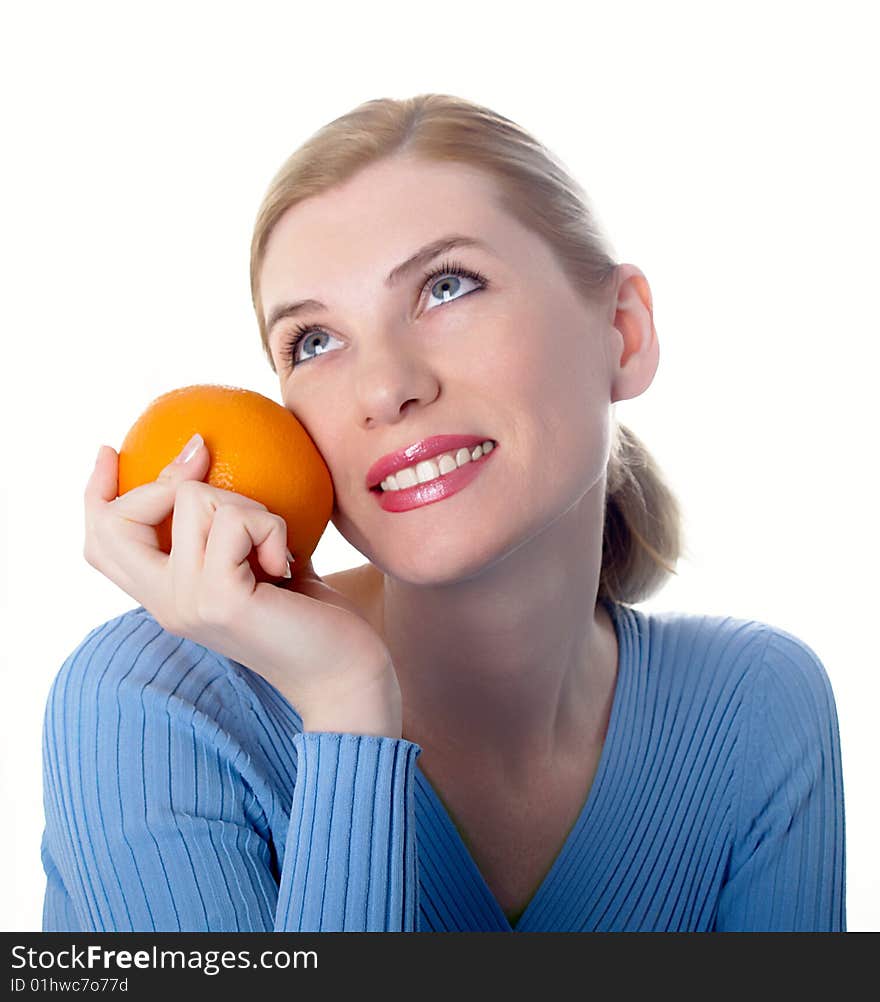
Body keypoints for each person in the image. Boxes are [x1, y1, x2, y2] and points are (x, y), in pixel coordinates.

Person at [40, 93, 845, 932]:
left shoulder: (756, 706)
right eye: (313, 340)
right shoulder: (153, 705)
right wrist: (346, 707)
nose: (387, 388)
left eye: (447, 286)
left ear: (623, 331)